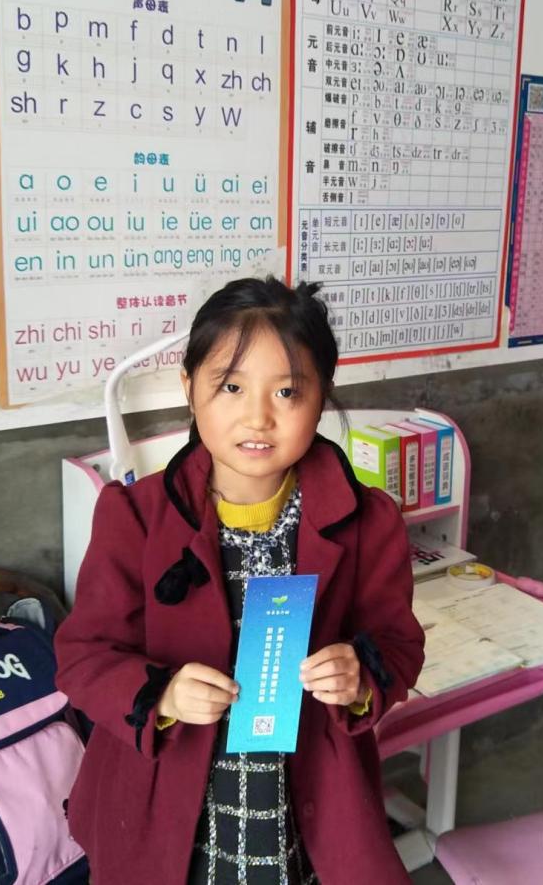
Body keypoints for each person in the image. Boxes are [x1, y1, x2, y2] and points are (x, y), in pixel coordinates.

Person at [55, 277, 425, 885]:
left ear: (322, 396)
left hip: (304, 793)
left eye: (288, 391)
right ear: (189, 388)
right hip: (170, 800)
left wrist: (360, 674)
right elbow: (82, 657)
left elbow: (399, 644)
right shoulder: (136, 516)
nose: (258, 417)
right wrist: (162, 696)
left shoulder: (368, 520)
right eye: (230, 387)